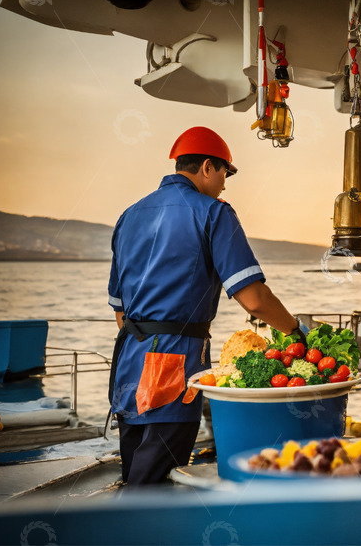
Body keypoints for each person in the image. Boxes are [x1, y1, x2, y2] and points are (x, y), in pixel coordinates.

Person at [107, 126, 304, 486]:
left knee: (134, 474)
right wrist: (295, 331)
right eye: (225, 174)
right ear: (209, 167)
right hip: (173, 368)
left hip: (128, 368)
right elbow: (255, 299)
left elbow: (120, 311)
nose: (225, 184)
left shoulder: (129, 215)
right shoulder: (213, 213)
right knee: (155, 486)